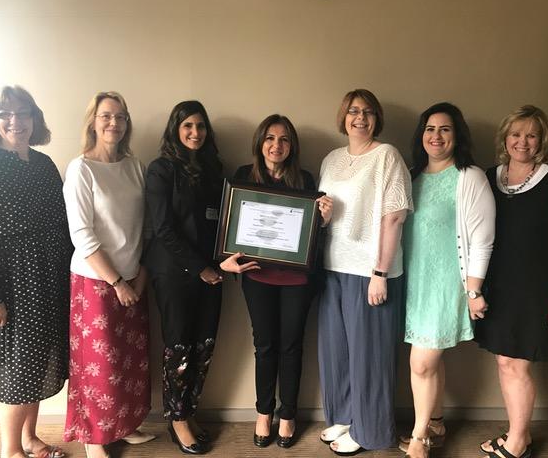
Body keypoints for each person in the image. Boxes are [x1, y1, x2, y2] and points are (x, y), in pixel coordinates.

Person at [0, 85, 71, 458]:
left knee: (37, 361)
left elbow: (63, 225)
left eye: (23, 113)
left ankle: (30, 438)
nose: (15, 121)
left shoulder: (44, 165)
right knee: (16, 370)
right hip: (7, 284)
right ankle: (10, 451)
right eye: (5, 114)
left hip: (48, 278)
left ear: (34, 119)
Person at [219, 114, 333, 449]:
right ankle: (263, 413)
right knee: (265, 346)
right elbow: (230, 225)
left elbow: (312, 237)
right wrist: (226, 260)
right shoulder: (243, 177)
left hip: (297, 280)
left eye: (284, 139)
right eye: (270, 138)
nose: (276, 145)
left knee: (291, 347)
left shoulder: (306, 180)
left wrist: (323, 221)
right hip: (256, 274)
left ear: (292, 146)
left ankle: (288, 415)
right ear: (260, 142)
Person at [475, 105, 548, 458]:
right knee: (505, 362)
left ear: (542, 141)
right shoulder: (490, 177)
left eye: (531, 135)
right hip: (497, 286)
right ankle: (519, 432)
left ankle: (518, 441)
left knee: (517, 363)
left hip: (536, 290)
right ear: (505, 138)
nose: (523, 141)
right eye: (516, 134)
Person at [316, 89, 413, 455]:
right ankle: (345, 416)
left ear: (377, 118)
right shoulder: (331, 159)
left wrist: (380, 272)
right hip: (333, 267)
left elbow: (394, 217)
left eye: (368, 112)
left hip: (370, 271)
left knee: (369, 356)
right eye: (354, 111)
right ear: (343, 116)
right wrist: (323, 216)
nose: (360, 118)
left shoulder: (387, 155)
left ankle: (370, 431)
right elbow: (329, 215)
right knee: (336, 351)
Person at [400, 103, 495, 458]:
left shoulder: (469, 177)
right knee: (431, 363)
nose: (436, 136)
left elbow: (482, 238)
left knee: (421, 363)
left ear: (458, 136)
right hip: (414, 284)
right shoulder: (411, 176)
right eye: (429, 128)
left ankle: (419, 438)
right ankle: (436, 424)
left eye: (445, 129)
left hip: (446, 285)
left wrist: (474, 290)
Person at [62, 92, 153, 458]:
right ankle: (93, 438)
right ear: (93, 121)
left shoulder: (134, 166)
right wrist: (115, 282)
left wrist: (140, 274)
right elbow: (82, 234)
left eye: (120, 117)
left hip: (134, 278)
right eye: (106, 116)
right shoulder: (81, 168)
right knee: (98, 365)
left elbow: (145, 225)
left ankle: (123, 425)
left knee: (129, 362)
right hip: (96, 282)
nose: (113, 123)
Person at [144, 100, 227, 455]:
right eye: (188, 126)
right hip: (175, 273)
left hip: (212, 273)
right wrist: (201, 268)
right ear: (176, 129)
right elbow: (163, 229)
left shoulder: (214, 169)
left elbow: (224, 222)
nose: (196, 133)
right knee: (178, 346)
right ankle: (177, 419)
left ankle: (189, 411)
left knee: (203, 345)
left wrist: (222, 263)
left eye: (201, 126)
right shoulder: (161, 170)